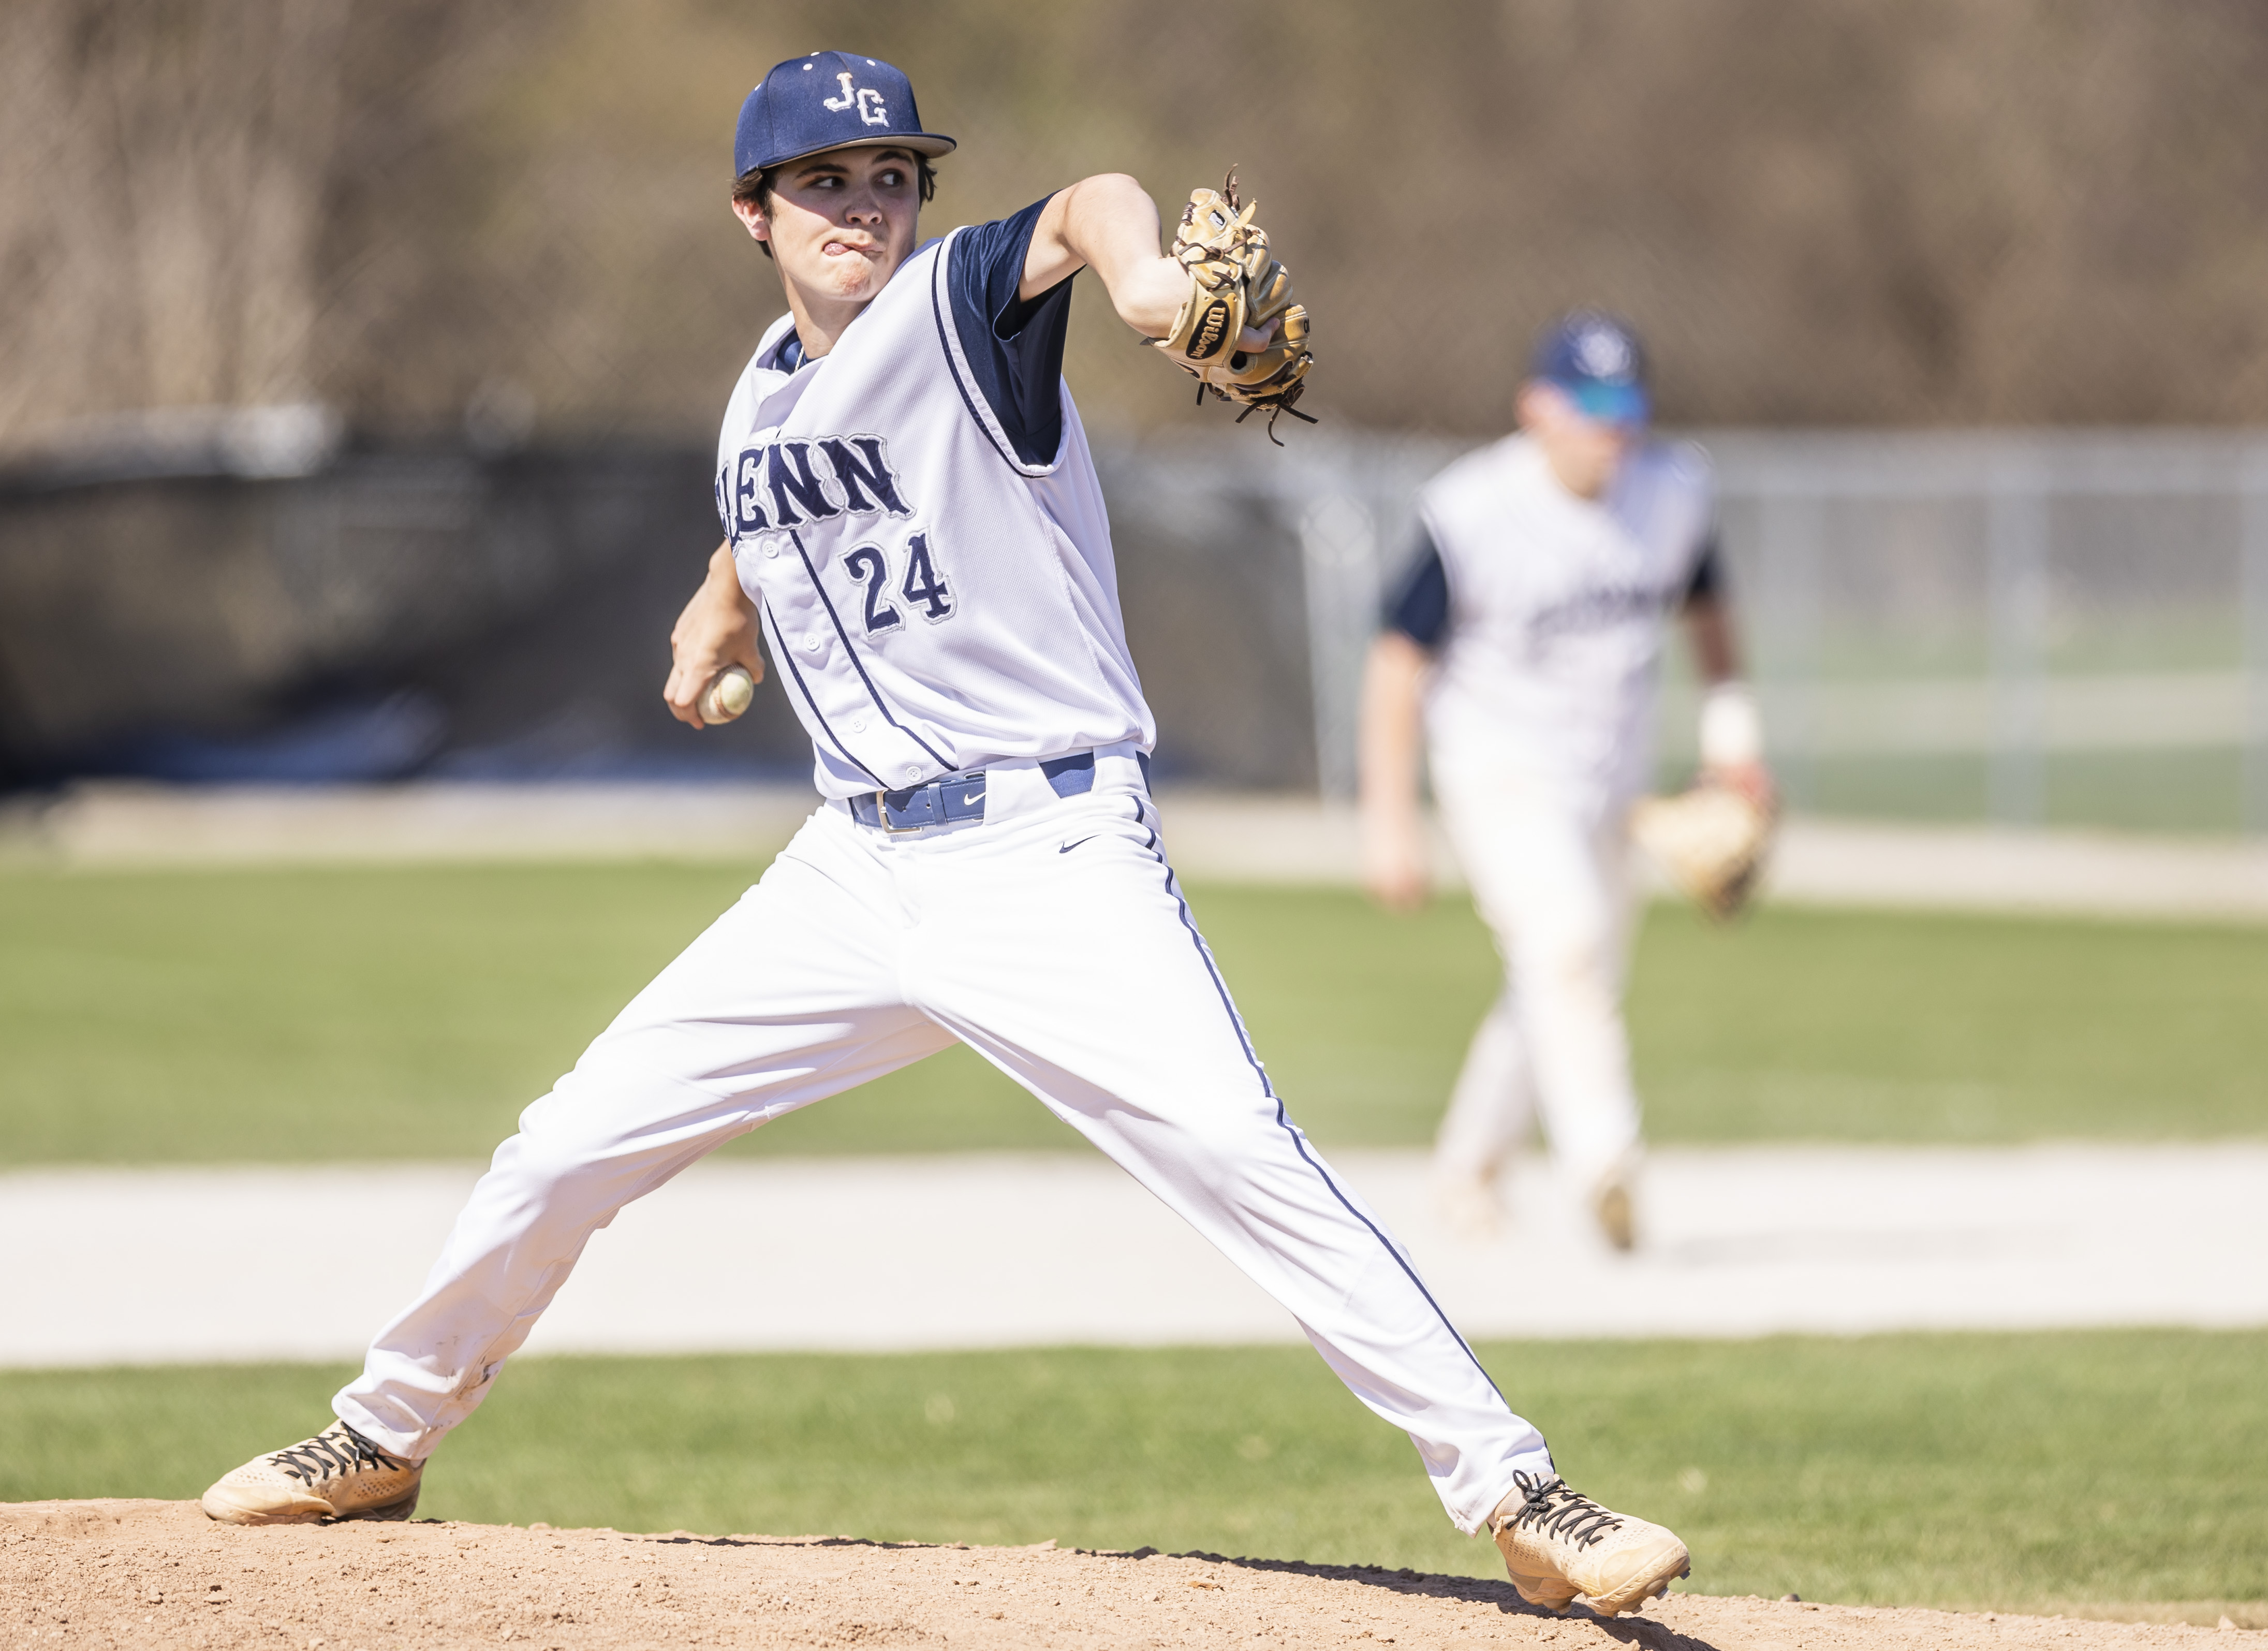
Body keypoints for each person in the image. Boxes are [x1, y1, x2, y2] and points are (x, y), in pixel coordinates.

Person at [197, 53, 1694, 1619]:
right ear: (752, 212)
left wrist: (1145, 278)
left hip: (1047, 855)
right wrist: (718, 607)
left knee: (1244, 1157)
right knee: (568, 1141)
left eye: (892, 176)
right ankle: (382, 1428)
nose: (865, 204)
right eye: (827, 182)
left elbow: (1086, 208)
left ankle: (1519, 1490)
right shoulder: (760, 385)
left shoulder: (956, 309)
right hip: (852, 874)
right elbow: (773, 499)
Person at [1358, 312, 1771, 1251]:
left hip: (1609, 774)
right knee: (1569, 945)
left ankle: (1470, 1169)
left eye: (1625, 407)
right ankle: (1605, 1163)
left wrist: (1733, 737)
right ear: (1536, 408)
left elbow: (1710, 613)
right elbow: (1396, 665)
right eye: (1590, 408)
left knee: (1559, 973)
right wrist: (1388, 821)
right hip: (1498, 764)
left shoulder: (1670, 494)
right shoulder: (1472, 507)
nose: (1611, 429)